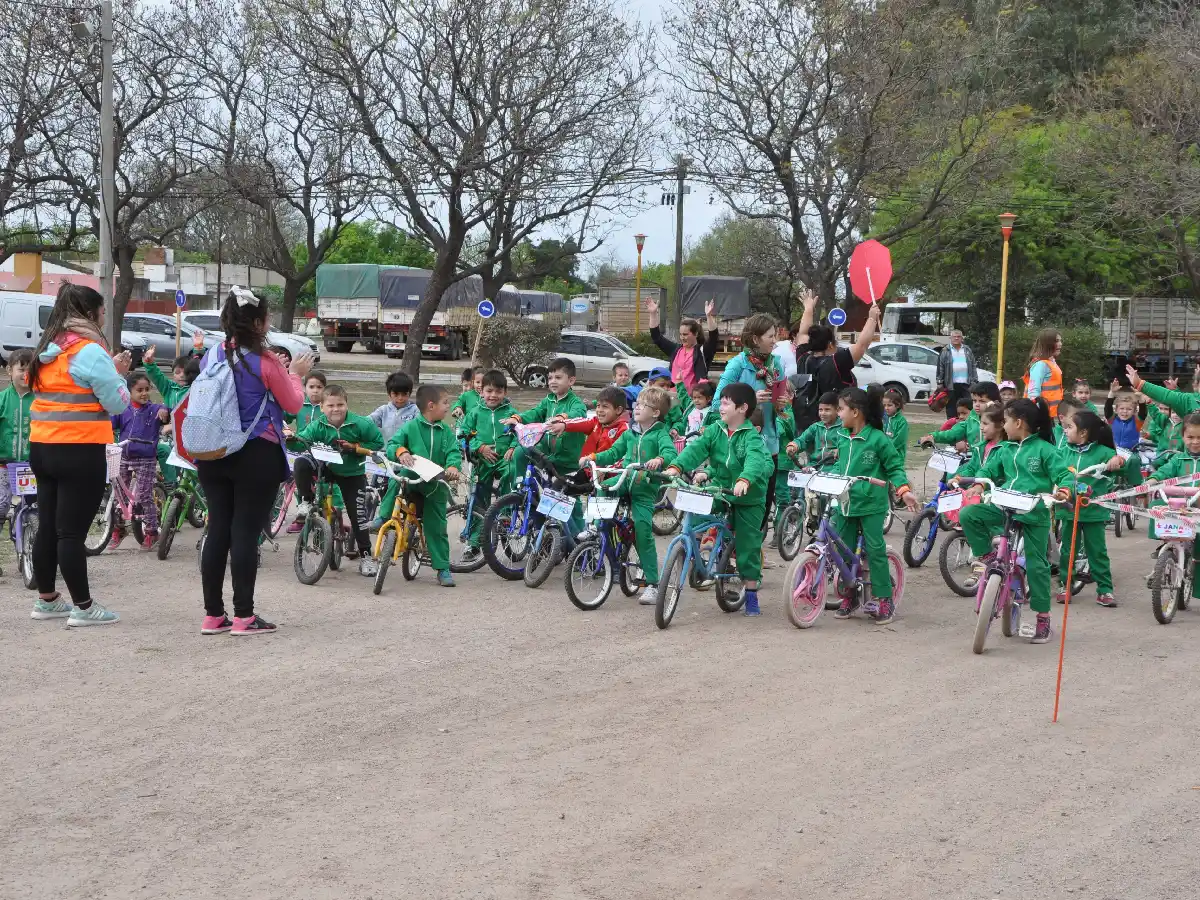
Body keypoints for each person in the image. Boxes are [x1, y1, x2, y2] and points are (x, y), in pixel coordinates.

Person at [195, 287, 310, 636]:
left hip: (213, 452)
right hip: (254, 452)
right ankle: (244, 616)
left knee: (218, 531)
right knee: (244, 532)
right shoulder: (267, 361)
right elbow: (292, 405)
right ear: (259, 322)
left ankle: (213, 615)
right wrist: (297, 375)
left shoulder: (213, 354)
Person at [26, 283, 131, 625]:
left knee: (49, 527)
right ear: (90, 314)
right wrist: (119, 375)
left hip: (42, 448)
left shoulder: (48, 348)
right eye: (102, 313)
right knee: (70, 533)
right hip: (79, 449)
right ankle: (84, 608)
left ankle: (47, 600)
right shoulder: (89, 350)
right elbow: (116, 402)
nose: (103, 319)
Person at [960, 398, 1066, 644]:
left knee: (1038, 566)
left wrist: (1064, 490)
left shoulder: (1044, 449)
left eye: (1006, 421)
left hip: (1034, 512)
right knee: (969, 514)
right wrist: (978, 483)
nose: (1003, 425)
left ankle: (1042, 618)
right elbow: (987, 471)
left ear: (1018, 422)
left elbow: (1063, 474)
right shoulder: (1004, 449)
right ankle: (987, 558)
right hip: (1004, 507)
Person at [665, 382, 774, 616]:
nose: (721, 406)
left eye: (726, 403)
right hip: (720, 491)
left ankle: (751, 593)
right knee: (694, 514)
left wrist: (745, 480)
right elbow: (696, 450)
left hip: (748, 498)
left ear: (743, 408)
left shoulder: (751, 437)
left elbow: (755, 461)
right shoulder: (715, 429)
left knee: (747, 545)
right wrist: (677, 466)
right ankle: (697, 556)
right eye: (720, 401)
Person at [825, 386, 919, 624]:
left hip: (871, 504)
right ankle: (850, 595)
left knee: (875, 551)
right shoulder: (842, 436)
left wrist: (904, 490)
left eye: (841, 409)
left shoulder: (878, 439)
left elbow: (894, 468)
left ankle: (884, 599)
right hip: (845, 503)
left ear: (856, 412)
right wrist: (827, 477)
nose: (838, 413)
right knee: (843, 550)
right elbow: (840, 466)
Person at [586, 386, 678, 605]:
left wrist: (660, 460)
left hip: (645, 487)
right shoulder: (630, 432)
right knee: (603, 486)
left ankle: (653, 584)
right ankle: (596, 525)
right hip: (625, 480)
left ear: (655, 412)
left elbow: (670, 452)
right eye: (636, 404)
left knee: (643, 531)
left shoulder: (660, 433)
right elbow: (613, 453)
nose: (636, 407)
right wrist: (593, 457)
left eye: (642, 405)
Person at [292, 384, 385, 574]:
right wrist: (290, 437)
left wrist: (355, 446)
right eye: (331, 406)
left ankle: (366, 556)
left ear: (347, 405)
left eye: (340, 405)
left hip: (352, 472)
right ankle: (306, 502)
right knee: (301, 462)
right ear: (322, 407)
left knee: (358, 515)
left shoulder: (360, 423)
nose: (336, 409)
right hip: (325, 468)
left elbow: (377, 442)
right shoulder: (318, 424)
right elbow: (302, 442)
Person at [502, 357, 590, 538]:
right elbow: (534, 413)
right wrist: (517, 419)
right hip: (549, 456)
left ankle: (580, 541)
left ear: (571, 380)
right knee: (522, 450)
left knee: (570, 503)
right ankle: (521, 488)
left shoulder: (575, 402)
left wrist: (562, 419)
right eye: (550, 378)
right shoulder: (548, 400)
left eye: (558, 377)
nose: (552, 382)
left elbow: (578, 415)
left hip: (568, 462)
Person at [387, 384, 462, 587]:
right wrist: (401, 452)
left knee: (437, 526)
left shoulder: (445, 431)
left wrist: (453, 466)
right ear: (431, 405)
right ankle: (383, 517)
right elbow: (393, 443)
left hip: (435, 483)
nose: (449, 406)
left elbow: (453, 452)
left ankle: (442, 568)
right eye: (445, 402)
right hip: (413, 477)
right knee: (397, 481)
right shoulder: (411, 427)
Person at [716, 313, 785, 530]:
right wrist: (750, 400)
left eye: (775, 336)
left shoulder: (777, 364)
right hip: (739, 441)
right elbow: (719, 400)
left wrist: (782, 404)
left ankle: (751, 546)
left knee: (763, 500)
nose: (775, 341)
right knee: (734, 498)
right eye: (770, 336)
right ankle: (728, 548)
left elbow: (782, 404)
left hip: (769, 442)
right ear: (755, 339)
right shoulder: (737, 365)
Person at [1053, 409, 1124, 607]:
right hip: (1068, 510)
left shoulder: (1103, 451)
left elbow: (1127, 461)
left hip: (1093, 511)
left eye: (1069, 427)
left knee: (1097, 552)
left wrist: (1118, 460)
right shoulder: (1063, 452)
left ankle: (1105, 590)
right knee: (1068, 551)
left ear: (1083, 432)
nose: (1064, 431)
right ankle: (1065, 586)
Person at [792, 290, 878, 434]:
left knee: (812, 456)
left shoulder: (802, 357)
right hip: (834, 428)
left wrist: (808, 308)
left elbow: (803, 333)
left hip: (805, 426)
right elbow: (862, 345)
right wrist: (872, 319)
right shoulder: (837, 362)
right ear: (831, 345)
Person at [1142, 412, 1200, 609]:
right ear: (1183, 437)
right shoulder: (1178, 460)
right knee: (1155, 506)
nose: (1195, 442)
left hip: (1198, 511)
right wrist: (1153, 480)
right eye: (1190, 437)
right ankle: (1162, 543)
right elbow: (1163, 472)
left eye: (1199, 438)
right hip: (1179, 508)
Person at [109, 371, 170, 549]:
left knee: (144, 495)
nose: (144, 393)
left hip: (146, 458)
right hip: (124, 456)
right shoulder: (123, 409)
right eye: (139, 390)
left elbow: (169, 409)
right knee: (119, 494)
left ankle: (152, 531)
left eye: (146, 389)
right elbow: (110, 424)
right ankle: (118, 528)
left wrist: (165, 408)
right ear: (129, 392)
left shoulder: (154, 410)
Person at [462, 369, 517, 562]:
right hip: (482, 460)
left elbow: (520, 433)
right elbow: (463, 436)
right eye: (489, 391)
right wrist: (480, 447)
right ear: (481, 391)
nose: (493, 395)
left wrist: (513, 447)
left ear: (505, 393)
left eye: (498, 391)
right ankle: (475, 544)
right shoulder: (475, 413)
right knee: (478, 498)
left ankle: (504, 514)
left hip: (503, 459)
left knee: (512, 471)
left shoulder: (511, 412)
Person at [646, 297, 720, 392]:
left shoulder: (702, 352)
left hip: (692, 400)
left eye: (685, 334)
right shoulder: (676, 350)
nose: (682, 337)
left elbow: (714, 338)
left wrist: (709, 317)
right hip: (672, 397)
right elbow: (657, 337)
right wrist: (653, 314)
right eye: (680, 334)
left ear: (696, 334)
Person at [0, 349, 34, 536]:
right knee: (1, 504)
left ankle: (30, 548)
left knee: (32, 507)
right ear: (9, 371)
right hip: (4, 464)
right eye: (21, 369)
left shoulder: (39, 400)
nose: (26, 374)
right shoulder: (2, 400)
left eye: (30, 369)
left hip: (31, 466)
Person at [920, 382, 999, 452]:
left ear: (994, 402)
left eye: (982, 401)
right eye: (974, 401)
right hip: (975, 461)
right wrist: (933, 436)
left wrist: (969, 446)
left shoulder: (1000, 421)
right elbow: (955, 432)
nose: (977, 404)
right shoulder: (973, 416)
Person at [787, 391, 844, 469]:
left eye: (827, 410)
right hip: (815, 465)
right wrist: (793, 446)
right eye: (820, 410)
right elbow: (802, 439)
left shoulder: (843, 427)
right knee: (800, 457)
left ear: (837, 410)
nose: (823, 413)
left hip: (833, 467)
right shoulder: (816, 427)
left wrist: (841, 449)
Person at [936, 330, 978, 420]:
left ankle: (967, 426)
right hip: (950, 385)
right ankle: (952, 428)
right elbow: (940, 367)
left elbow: (973, 365)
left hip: (966, 384)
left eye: (958, 336)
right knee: (951, 409)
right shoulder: (945, 350)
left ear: (962, 338)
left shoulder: (967, 350)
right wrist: (939, 382)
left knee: (968, 406)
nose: (956, 338)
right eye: (954, 336)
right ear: (950, 338)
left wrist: (974, 381)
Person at [369, 371, 419, 444]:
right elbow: (367, 422)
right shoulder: (383, 410)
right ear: (389, 394)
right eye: (396, 394)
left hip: (408, 452)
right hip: (387, 451)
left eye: (404, 394)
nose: (400, 398)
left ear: (410, 393)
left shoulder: (415, 410)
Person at [1024, 328, 1064, 417]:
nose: (1060, 344)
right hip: (1043, 416)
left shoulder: (1051, 362)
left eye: (1060, 341)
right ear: (1047, 344)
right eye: (1056, 341)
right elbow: (1033, 393)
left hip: (1052, 415)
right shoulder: (1040, 365)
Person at [882, 389, 909, 468]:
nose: (886, 408)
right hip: (883, 456)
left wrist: (886, 450)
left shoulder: (902, 422)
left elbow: (899, 441)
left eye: (889, 405)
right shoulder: (882, 419)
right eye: (884, 405)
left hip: (896, 458)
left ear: (897, 405)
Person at [684, 380, 714, 445]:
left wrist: (707, 428)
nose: (696, 400)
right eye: (694, 397)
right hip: (687, 443)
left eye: (700, 398)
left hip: (700, 445)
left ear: (709, 398)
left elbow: (716, 425)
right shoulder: (691, 408)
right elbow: (683, 396)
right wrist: (679, 383)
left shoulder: (711, 412)